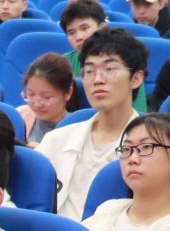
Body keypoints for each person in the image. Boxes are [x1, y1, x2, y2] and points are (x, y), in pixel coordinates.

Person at [42, 28, 145, 220]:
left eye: (110, 69)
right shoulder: (56, 139)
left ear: (136, 78)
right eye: (89, 71)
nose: (97, 80)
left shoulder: (151, 149)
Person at [20, 52, 77, 144]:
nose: (37, 104)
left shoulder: (78, 128)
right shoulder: (20, 116)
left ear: (68, 93)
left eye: (47, 97)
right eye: (31, 94)